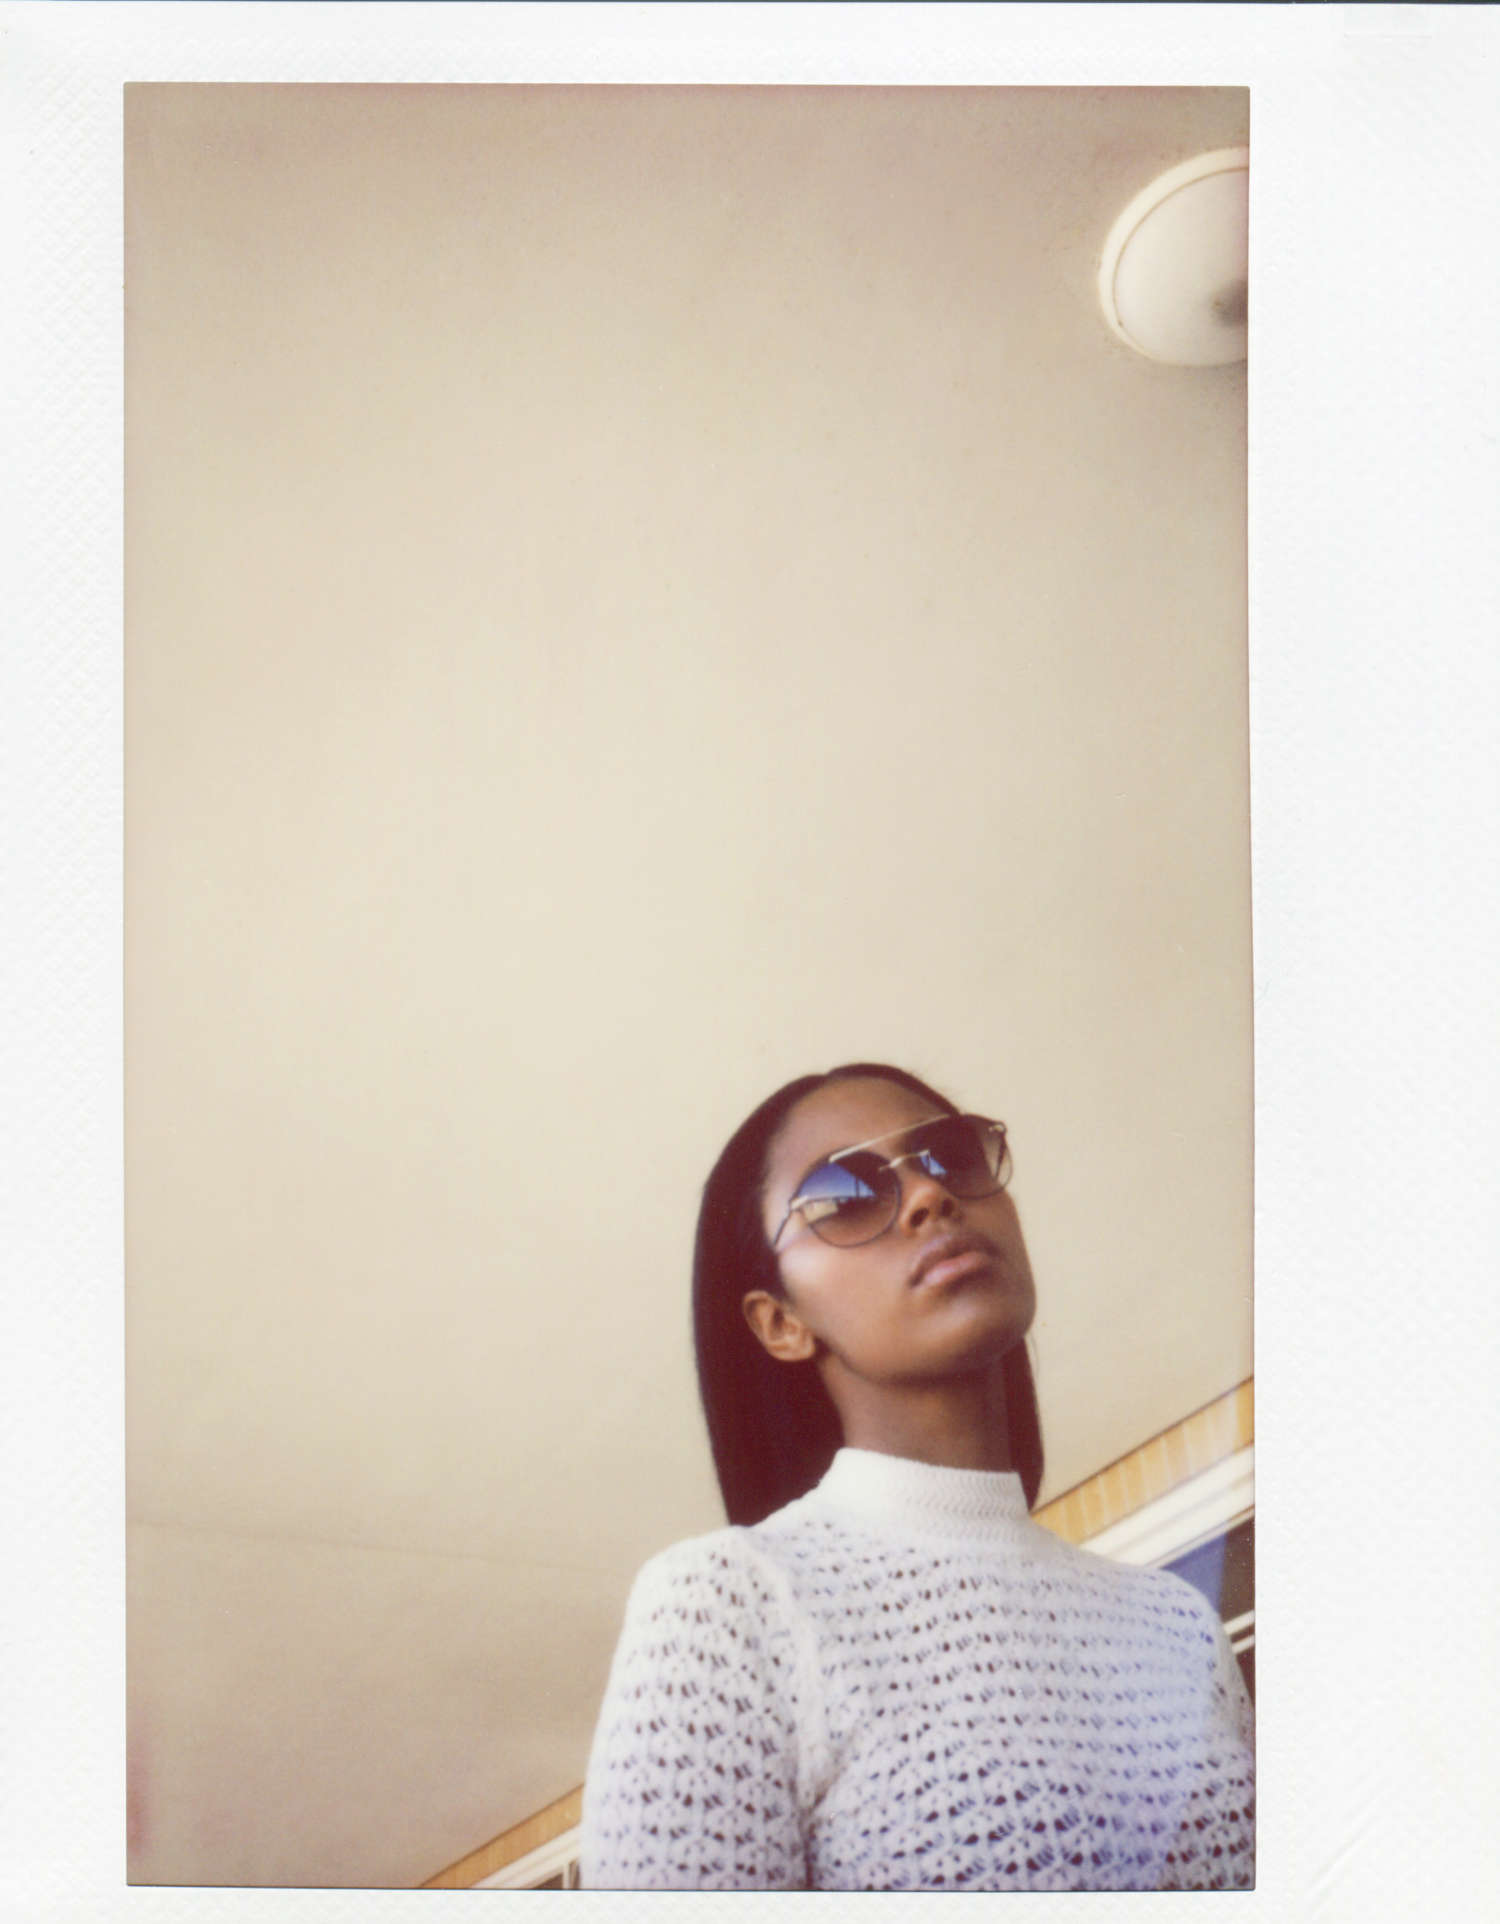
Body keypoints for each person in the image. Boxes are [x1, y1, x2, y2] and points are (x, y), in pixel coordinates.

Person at [581, 1063, 1254, 1891]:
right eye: (844, 1194)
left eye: (951, 1156)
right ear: (781, 1322)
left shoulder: (1181, 1627)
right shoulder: (729, 1604)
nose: (929, 1196)